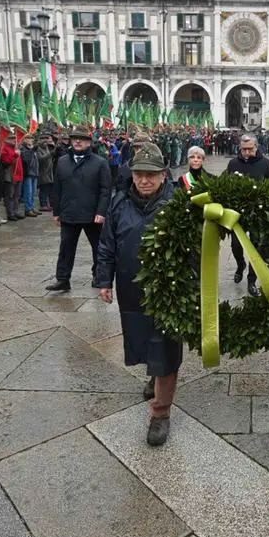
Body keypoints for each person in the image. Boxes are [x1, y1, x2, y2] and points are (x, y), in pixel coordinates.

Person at [95, 142, 182, 446]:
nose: (144, 180)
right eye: (139, 174)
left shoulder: (179, 204)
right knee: (143, 340)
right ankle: (154, 376)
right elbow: (106, 246)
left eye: (151, 175)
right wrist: (103, 280)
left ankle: (160, 413)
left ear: (163, 175)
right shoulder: (119, 204)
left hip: (169, 293)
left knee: (166, 349)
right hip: (131, 288)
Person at [47, 126, 112, 292]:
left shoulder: (100, 162)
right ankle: (62, 279)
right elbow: (57, 188)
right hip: (69, 213)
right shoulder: (62, 161)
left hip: (92, 214)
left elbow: (106, 190)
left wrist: (101, 212)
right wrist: (56, 211)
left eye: (81, 139)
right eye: (75, 138)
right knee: (66, 247)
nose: (77, 141)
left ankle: (98, 275)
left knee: (98, 247)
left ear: (89, 142)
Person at [225, 132, 269, 296]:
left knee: (256, 248)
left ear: (256, 147)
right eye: (243, 149)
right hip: (238, 214)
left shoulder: (266, 164)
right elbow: (225, 184)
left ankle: (252, 280)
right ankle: (240, 265)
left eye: (250, 149)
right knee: (236, 246)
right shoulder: (233, 163)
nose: (246, 152)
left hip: (257, 214)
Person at [20, 135, 39, 217]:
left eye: (31, 138)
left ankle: (31, 207)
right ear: (23, 139)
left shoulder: (32, 148)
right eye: (28, 138)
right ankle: (28, 209)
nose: (30, 140)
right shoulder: (22, 148)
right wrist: (32, 150)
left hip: (34, 172)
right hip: (28, 173)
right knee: (28, 192)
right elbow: (26, 159)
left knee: (33, 193)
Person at [36, 134, 55, 212]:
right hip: (42, 171)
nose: (45, 143)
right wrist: (49, 154)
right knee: (44, 189)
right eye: (43, 141)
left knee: (48, 189)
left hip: (49, 171)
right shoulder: (38, 149)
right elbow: (40, 159)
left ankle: (47, 204)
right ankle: (43, 205)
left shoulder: (47, 147)